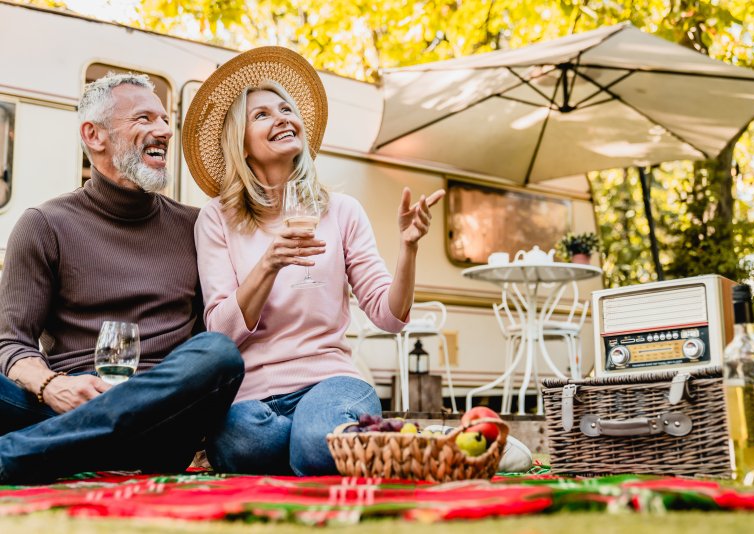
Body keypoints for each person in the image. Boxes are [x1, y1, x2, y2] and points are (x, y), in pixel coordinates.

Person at [185, 47, 444, 476]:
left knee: (309, 444)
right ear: (242, 145)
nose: (283, 117)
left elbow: (389, 316)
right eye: (262, 115)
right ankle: (351, 443)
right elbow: (221, 333)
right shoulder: (217, 218)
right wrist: (269, 263)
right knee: (247, 441)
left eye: (287, 109)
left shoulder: (340, 210)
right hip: (252, 394)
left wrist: (408, 248)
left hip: (331, 380)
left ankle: (323, 438)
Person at [0, 73, 244, 484]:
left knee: (219, 354)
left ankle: (19, 454)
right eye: (144, 118)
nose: (164, 131)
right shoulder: (45, 224)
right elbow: (11, 342)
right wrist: (51, 386)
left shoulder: (195, 226)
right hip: (65, 404)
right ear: (95, 135)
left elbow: (212, 335)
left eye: (165, 120)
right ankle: (62, 447)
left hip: (161, 420)